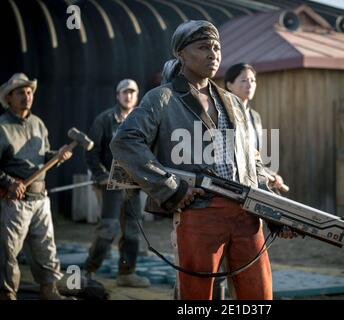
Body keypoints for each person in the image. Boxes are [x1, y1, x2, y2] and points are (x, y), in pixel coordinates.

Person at [110, 20, 297, 300]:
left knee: (259, 295)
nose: (214, 54)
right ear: (181, 54)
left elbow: (249, 164)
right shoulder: (162, 98)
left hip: (246, 213)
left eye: (217, 48)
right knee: (197, 298)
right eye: (204, 47)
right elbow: (124, 142)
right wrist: (170, 187)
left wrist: (271, 210)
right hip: (199, 210)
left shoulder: (232, 103)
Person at [0, 73, 73, 300]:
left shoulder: (38, 123)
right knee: (8, 253)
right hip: (14, 202)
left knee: (46, 248)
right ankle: (7, 294)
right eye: (20, 92)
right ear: (9, 98)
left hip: (40, 199)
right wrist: (9, 183)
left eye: (29, 91)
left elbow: (44, 158)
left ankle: (49, 290)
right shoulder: (2, 127)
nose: (27, 96)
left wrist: (58, 155)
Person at [83, 79, 150, 288]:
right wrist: (100, 175)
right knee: (108, 229)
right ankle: (87, 271)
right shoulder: (104, 120)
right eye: (124, 92)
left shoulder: (143, 120)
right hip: (111, 185)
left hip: (133, 185)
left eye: (132, 92)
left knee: (132, 232)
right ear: (117, 95)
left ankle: (126, 273)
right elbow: (91, 153)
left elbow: (148, 151)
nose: (128, 96)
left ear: (137, 96)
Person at [224, 63, 285, 192]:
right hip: (233, 179)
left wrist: (271, 174)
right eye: (244, 80)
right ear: (229, 85)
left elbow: (255, 156)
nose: (249, 84)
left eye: (252, 80)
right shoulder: (223, 113)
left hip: (253, 178)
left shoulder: (255, 116)